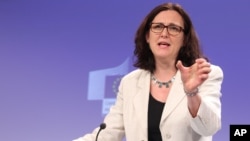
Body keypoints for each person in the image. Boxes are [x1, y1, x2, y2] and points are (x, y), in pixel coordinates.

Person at [73, 2, 223, 141]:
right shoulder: (130, 82)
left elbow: (208, 128)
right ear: (147, 36)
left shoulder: (204, 74)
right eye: (157, 27)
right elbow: (107, 134)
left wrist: (192, 93)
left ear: (184, 39)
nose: (164, 33)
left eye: (173, 28)